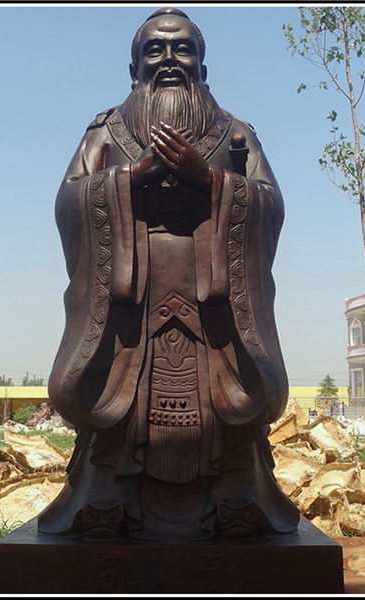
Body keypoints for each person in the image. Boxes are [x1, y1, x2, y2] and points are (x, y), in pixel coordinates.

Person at [38, 7, 299, 541]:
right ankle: (106, 499)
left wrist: (210, 180)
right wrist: (129, 179)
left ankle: (235, 499)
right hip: (128, 296)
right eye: (155, 49)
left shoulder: (235, 132)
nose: (169, 59)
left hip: (215, 299)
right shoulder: (105, 131)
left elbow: (270, 204)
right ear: (134, 65)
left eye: (183, 48)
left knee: (227, 400)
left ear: (202, 63)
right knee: (118, 397)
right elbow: (68, 201)